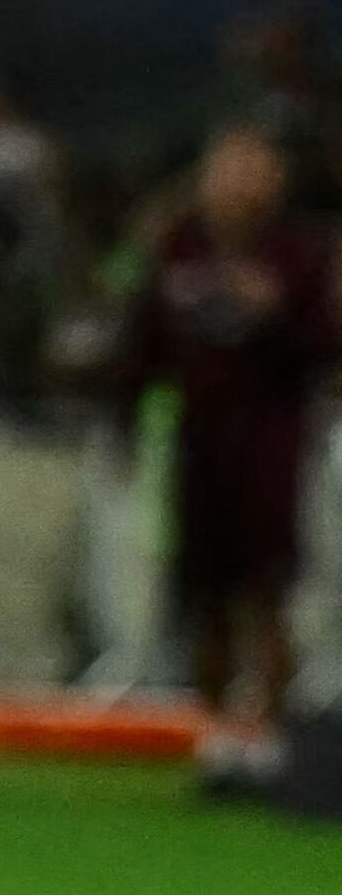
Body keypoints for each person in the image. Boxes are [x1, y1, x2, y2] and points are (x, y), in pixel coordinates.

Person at [114, 123, 338, 792]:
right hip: (198, 443)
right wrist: (124, 425)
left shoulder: (298, 256)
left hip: (270, 443)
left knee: (266, 592)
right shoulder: (179, 246)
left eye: (250, 169)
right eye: (223, 168)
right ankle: (215, 738)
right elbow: (142, 341)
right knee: (204, 594)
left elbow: (325, 349)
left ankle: (266, 736)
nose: (234, 184)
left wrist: (272, 315)